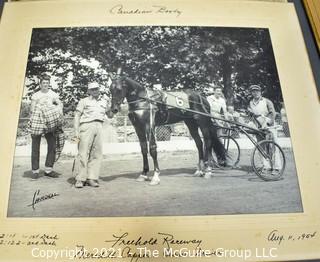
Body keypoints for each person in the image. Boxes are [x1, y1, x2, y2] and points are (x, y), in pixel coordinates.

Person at [73, 82, 111, 188]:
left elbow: (110, 115)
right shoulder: (83, 101)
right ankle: (80, 179)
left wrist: (111, 105)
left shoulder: (104, 101)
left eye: (97, 89)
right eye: (93, 89)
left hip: (99, 126)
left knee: (96, 153)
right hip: (86, 126)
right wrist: (76, 131)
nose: (95, 91)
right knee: (83, 153)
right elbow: (77, 115)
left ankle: (92, 178)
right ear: (88, 91)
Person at [29, 73, 63, 179]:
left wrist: (56, 110)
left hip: (50, 122)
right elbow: (32, 109)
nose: (45, 85)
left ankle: (48, 170)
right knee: (35, 146)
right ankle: (35, 171)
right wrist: (39, 115)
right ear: (40, 84)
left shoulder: (53, 94)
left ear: (49, 84)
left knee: (52, 145)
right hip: (38, 121)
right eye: (43, 83)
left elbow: (60, 104)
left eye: (47, 83)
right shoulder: (36, 95)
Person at [247, 84, 281, 172]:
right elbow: (251, 114)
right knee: (261, 147)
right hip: (258, 128)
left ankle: (276, 167)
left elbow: (272, 113)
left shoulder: (266, 101)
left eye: (257, 91)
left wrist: (267, 123)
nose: (255, 93)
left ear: (260, 92)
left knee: (272, 146)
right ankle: (266, 166)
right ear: (251, 93)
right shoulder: (251, 102)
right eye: (253, 92)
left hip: (269, 126)